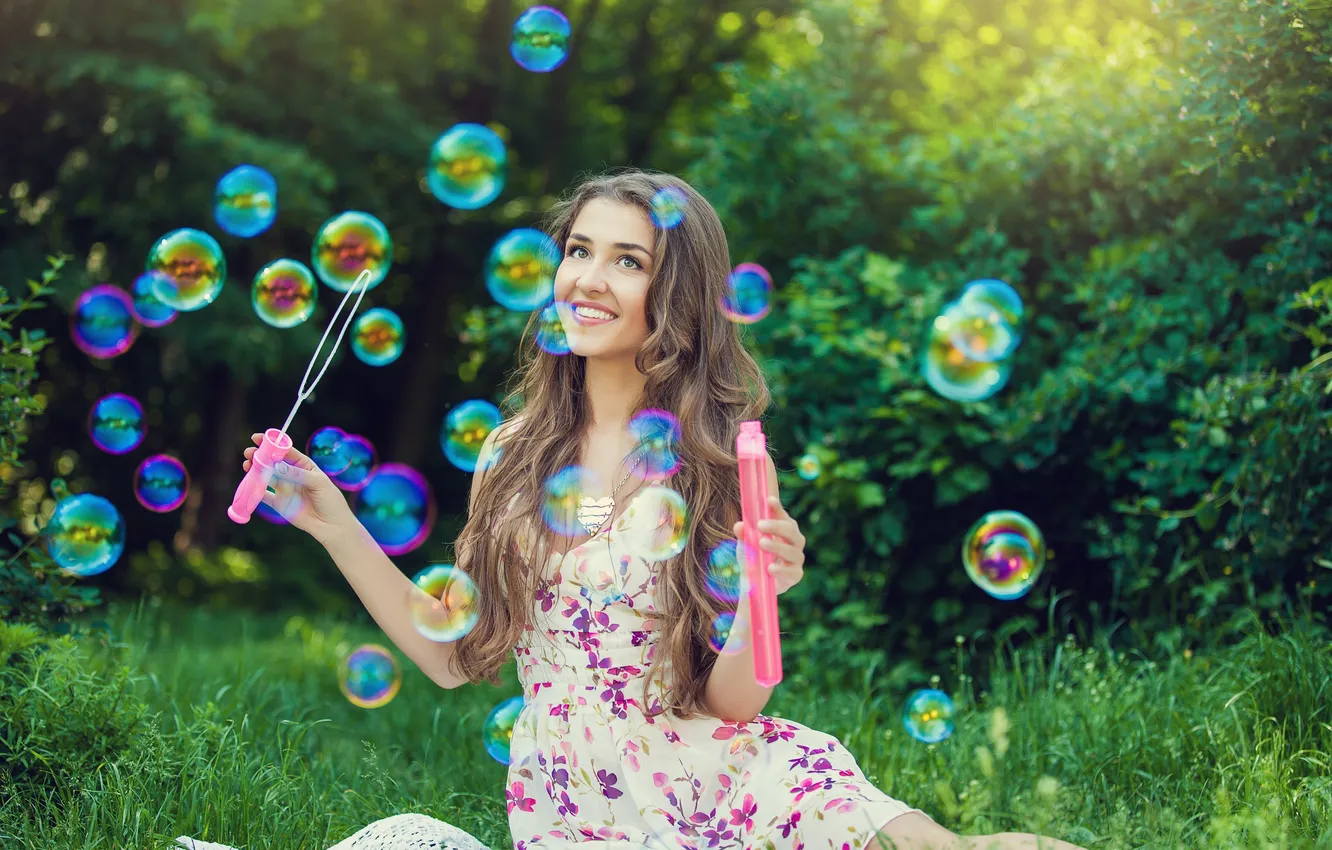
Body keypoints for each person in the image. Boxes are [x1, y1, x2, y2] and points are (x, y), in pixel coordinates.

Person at [195, 169, 1086, 850]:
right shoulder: (508, 458)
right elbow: (456, 657)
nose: (588, 278)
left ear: (678, 297)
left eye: (629, 260)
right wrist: (331, 520)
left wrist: (762, 596)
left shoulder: (716, 465)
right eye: (579, 251)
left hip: (724, 779)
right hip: (571, 806)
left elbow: (734, 701)